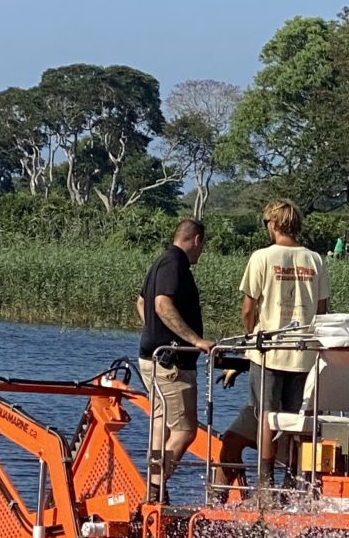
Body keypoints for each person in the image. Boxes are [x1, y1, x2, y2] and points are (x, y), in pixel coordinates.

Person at [222, 199, 328, 485]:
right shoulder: (315, 260)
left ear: (275, 223)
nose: (266, 228)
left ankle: (265, 482)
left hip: (268, 350)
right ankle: (293, 480)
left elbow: (248, 307)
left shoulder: (262, 257)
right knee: (295, 418)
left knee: (266, 415)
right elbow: (322, 311)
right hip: (302, 351)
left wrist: (249, 336)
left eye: (267, 223)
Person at [136, 217, 213, 492]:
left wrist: (153, 332)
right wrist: (195, 340)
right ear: (197, 240)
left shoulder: (161, 261)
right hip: (172, 363)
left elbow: (141, 302)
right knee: (184, 431)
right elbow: (160, 304)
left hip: (152, 358)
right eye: (202, 246)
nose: (201, 253)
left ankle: (155, 488)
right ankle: (155, 488)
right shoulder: (175, 263)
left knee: (161, 425)